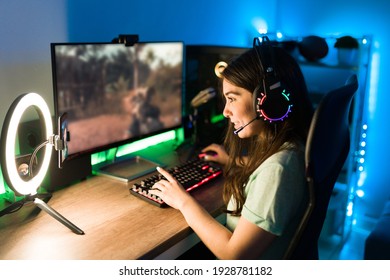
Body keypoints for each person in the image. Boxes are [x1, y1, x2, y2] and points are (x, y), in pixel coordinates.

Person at [149, 38, 314, 259]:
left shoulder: (279, 169)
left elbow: (233, 256)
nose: (226, 111)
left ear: (268, 102)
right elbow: (264, 174)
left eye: (232, 99)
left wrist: (183, 201)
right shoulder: (288, 149)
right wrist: (233, 161)